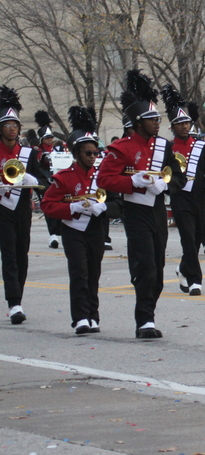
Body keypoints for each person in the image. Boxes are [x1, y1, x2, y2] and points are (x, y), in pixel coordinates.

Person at [97, 69, 186, 339]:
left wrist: (166, 185)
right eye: (151, 119)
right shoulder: (121, 148)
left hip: (157, 210)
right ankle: (144, 319)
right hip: (135, 211)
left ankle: (149, 310)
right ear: (137, 122)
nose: (158, 122)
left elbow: (179, 176)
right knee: (144, 265)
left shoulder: (164, 146)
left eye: (158, 118)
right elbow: (104, 178)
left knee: (157, 268)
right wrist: (133, 181)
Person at [41, 106, 106, 334]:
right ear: (77, 154)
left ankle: (93, 315)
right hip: (73, 230)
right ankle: (80, 317)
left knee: (94, 272)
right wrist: (72, 207)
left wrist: (104, 206)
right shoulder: (64, 177)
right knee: (79, 272)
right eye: (88, 153)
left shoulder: (102, 176)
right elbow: (47, 205)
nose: (92, 157)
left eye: (95, 153)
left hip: (96, 229)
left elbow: (118, 202)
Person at [163, 85, 205, 296]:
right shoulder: (167, 148)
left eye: (187, 122)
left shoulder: (201, 147)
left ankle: (183, 268)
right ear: (173, 127)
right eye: (180, 124)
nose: (185, 126)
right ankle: (195, 280)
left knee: (195, 239)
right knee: (187, 237)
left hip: (198, 197)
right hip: (179, 197)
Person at [0, 86, 47, 325]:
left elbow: (44, 180)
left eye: (15, 124)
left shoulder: (28, 153)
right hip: (1, 209)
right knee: (8, 253)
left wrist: (34, 180)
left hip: (21, 208)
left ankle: (18, 297)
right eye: (7, 124)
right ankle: (14, 303)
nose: (11, 128)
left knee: (21, 254)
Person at [34, 110, 63, 249]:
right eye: (47, 138)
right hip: (45, 181)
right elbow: (39, 165)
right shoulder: (37, 152)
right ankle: (53, 235)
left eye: (51, 137)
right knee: (48, 207)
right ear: (41, 140)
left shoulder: (59, 150)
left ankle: (59, 231)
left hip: (59, 181)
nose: (50, 140)